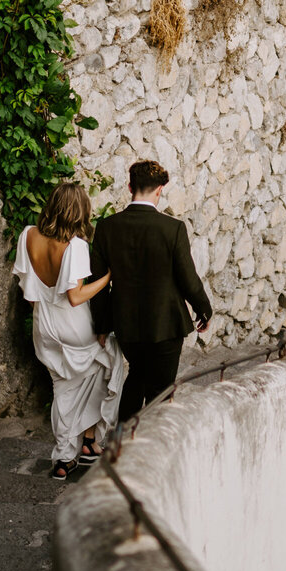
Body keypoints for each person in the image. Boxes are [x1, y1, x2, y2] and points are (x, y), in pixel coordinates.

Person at [12, 182, 125, 480]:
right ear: (79, 211)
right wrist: (108, 277)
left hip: (44, 323)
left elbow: (28, 287)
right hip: (73, 323)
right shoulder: (76, 246)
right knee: (109, 363)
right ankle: (90, 440)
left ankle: (66, 457)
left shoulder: (28, 235)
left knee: (63, 386)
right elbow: (75, 296)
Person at [89, 159, 213, 420]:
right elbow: (187, 277)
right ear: (159, 190)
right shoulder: (173, 228)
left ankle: (123, 441)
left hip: (126, 323)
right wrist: (203, 308)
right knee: (161, 388)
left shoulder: (107, 227)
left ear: (130, 186)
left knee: (137, 376)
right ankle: (152, 445)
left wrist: (101, 325)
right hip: (166, 323)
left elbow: (98, 283)